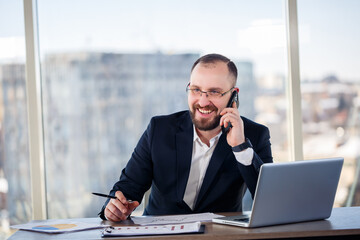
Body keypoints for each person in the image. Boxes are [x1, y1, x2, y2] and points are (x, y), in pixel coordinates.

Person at [99, 53, 273, 221]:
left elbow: (270, 202)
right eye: (196, 90)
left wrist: (240, 146)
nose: (203, 102)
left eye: (214, 92)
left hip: (218, 236)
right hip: (162, 237)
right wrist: (113, 209)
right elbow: (127, 188)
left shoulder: (254, 135)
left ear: (234, 94)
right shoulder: (159, 129)